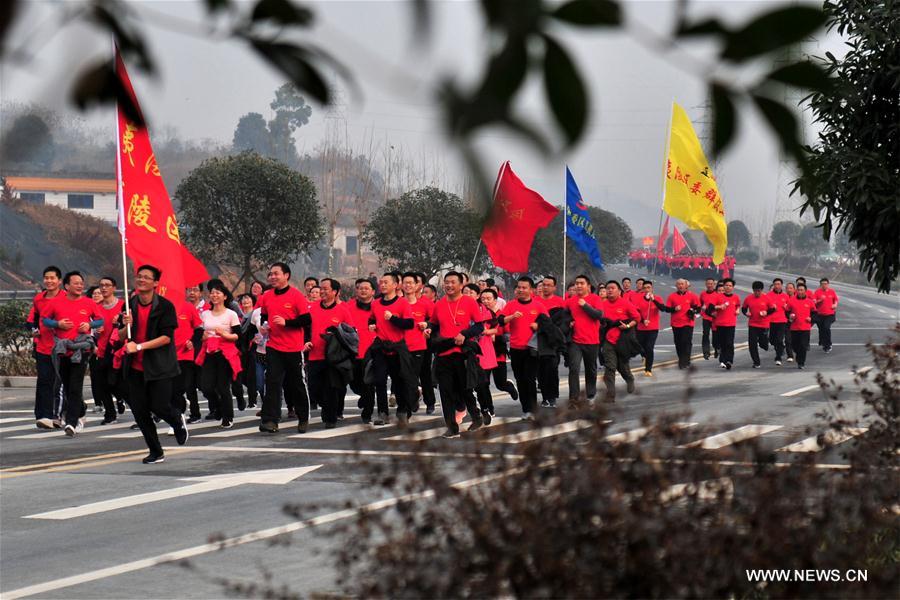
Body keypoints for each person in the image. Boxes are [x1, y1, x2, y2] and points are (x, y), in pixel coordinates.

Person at [119, 264, 189, 464]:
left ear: (156, 283)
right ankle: (156, 451)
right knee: (140, 412)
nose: (141, 280)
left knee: (159, 406)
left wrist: (139, 347)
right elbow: (121, 336)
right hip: (135, 368)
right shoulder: (129, 304)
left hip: (159, 366)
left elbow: (166, 338)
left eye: (146, 277)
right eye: (139, 276)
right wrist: (126, 326)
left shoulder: (164, 306)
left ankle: (176, 420)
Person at [42, 271, 104, 436]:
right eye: (76, 283)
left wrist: (89, 325)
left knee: (75, 386)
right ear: (67, 286)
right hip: (62, 350)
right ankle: (81, 409)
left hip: (81, 349)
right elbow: (45, 320)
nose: (80, 286)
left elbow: (100, 320)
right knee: (68, 386)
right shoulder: (56, 302)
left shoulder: (89, 303)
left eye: (81, 283)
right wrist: (58, 324)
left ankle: (71, 422)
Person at [428, 271, 485, 437]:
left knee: (464, 389)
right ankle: (452, 427)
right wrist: (429, 330)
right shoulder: (439, 304)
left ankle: (476, 416)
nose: (449, 285)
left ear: (461, 285)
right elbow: (433, 323)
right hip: (443, 353)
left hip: (462, 354)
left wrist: (464, 334)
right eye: (446, 282)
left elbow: (479, 326)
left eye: (453, 282)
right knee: (445, 392)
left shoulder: (469, 302)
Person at [257, 262, 312, 434]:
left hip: (294, 348)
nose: (272, 277)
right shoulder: (267, 296)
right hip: (274, 346)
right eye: (270, 274)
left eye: (276, 274)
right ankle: (270, 420)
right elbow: (264, 316)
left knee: (297, 384)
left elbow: (306, 320)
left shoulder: (296, 296)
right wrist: (264, 327)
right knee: (272, 382)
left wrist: (286, 323)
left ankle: (303, 418)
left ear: (286, 275)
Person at [306, 278, 353, 429]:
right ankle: (326, 407)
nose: (322, 291)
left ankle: (330, 418)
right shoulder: (312, 309)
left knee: (331, 387)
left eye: (326, 289)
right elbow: (304, 329)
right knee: (314, 388)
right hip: (315, 354)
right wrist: (305, 342)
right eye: (321, 288)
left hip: (334, 357)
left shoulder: (342, 311)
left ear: (335, 292)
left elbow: (350, 334)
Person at [499, 276, 549, 419]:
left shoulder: (538, 306)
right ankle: (525, 409)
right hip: (515, 349)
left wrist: (538, 325)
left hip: (531, 349)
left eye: (524, 287)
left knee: (529, 379)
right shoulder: (511, 305)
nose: (520, 290)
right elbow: (500, 321)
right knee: (520, 380)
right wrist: (512, 317)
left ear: (531, 290)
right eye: (519, 287)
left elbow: (548, 323)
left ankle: (532, 410)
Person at [370, 272, 415, 425]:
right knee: (379, 380)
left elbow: (409, 324)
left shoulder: (402, 303)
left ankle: (402, 410)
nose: (382, 285)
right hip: (380, 346)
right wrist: (371, 325)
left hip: (397, 348)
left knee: (399, 380)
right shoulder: (375, 303)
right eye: (381, 282)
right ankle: (382, 413)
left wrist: (392, 318)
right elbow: (372, 318)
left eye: (386, 282)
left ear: (395, 285)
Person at [196, 280, 242, 428]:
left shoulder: (231, 314)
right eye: (212, 293)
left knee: (223, 387)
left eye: (218, 293)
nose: (214, 295)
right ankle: (217, 407)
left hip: (225, 354)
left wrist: (224, 334)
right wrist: (203, 336)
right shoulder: (205, 314)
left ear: (225, 296)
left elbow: (238, 336)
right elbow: (199, 333)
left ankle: (228, 417)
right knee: (206, 387)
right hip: (209, 352)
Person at [28, 266, 66, 429]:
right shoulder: (39, 299)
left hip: (63, 347)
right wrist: (33, 329)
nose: (49, 281)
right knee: (44, 381)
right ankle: (43, 416)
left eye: (52, 278)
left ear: (59, 281)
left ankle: (70, 411)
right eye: (46, 278)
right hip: (43, 346)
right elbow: (32, 320)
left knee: (61, 383)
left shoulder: (66, 297)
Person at [90, 276, 126, 424]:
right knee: (102, 384)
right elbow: (90, 329)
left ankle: (121, 397)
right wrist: (96, 333)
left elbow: (130, 326)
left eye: (107, 285)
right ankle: (110, 415)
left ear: (114, 288)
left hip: (119, 350)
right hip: (102, 350)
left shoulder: (123, 305)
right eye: (101, 285)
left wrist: (120, 322)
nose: (104, 288)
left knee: (116, 382)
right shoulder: (95, 307)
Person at [598, 281, 640, 402]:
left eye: (613, 288)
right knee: (610, 367)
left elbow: (637, 318)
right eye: (608, 288)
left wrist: (628, 326)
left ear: (619, 291)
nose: (610, 290)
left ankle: (629, 379)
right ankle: (610, 395)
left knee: (622, 367)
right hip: (608, 341)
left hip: (623, 340)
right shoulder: (602, 305)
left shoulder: (625, 303)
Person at [564, 275, 603, 402]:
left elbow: (598, 315)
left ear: (588, 286)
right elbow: (564, 316)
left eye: (582, 283)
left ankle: (590, 394)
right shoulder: (570, 301)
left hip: (592, 341)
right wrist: (569, 322)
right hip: (575, 341)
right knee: (574, 368)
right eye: (577, 283)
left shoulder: (595, 299)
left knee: (590, 369)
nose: (579, 286)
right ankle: (573, 398)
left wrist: (585, 305)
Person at [402, 272, 435, 414]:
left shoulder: (426, 303)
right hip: (402, 345)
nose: (409, 285)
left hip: (423, 344)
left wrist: (427, 326)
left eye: (414, 282)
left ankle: (429, 402)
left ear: (419, 285)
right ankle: (411, 399)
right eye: (406, 282)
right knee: (407, 376)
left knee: (424, 374)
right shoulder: (399, 302)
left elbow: (434, 321)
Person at [478, 288, 519, 402]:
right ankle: (488, 408)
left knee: (500, 384)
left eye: (488, 299)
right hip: (484, 354)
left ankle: (509, 386)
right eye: (483, 299)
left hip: (498, 353)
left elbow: (508, 335)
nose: (485, 301)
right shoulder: (478, 315)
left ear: (495, 300)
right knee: (483, 383)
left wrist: (496, 337)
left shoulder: (501, 316)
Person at [172, 289, 203, 423]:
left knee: (187, 386)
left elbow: (199, 329)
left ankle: (192, 414)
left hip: (185, 354)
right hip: (168, 355)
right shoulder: (163, 308)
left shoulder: (188, 307)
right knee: (170, 388)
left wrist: (193, 342)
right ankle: (175, 411)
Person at [348, 278, 377, 424]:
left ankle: (367, 413)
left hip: (372, 350)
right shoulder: (348, 307)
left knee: (369, 383)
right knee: (354, 383)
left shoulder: (378, 307)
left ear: (373, 292)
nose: (363, 290)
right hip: (353, 350)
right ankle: (364, 397)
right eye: (360, 288)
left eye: (366, 288)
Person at [536, 276, 564, 408]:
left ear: (554, 287)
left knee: (552, 369)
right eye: (544, 285)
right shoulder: (535, 301)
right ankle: (545, 397)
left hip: (553, 342)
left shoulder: (560, 302)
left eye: (548, 285)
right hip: (538, 341)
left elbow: (563, 322)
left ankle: (552, 397)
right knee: (540, 371)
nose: (545, 287)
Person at [662, 278, 701, 369]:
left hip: (688, 323)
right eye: (678, 284)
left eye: (682, 284)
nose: (680, 286)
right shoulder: (672, 296)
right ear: (676, 286)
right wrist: (674, 309)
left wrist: (692, 311)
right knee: (678, 342)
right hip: (676, 323)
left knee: (686, 342)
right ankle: (682, 359)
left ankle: (685, 361)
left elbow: (698, 308)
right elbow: (667, 309)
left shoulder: (692, 296)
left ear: (686, 285)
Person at [630, 280, 664, 376]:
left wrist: (654, 300)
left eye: (649, 287)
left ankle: (648, 369)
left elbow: (662, 308)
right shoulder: (639, 299)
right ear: (642, 290)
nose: (647, 289)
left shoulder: (657, 298)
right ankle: (644, 356)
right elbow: (636, 313)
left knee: (649, 347)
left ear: (652, 288)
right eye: (645, 288)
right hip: (641, 328)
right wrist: (643, 320)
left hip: (653, 328)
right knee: (640, 347)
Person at [709, 278, 740, 370]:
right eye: (726, 285)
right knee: (722, 343)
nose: (728, 287)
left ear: (733, 287)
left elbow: (738, 305)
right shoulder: (718, 297)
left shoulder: (736, 297)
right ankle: (722, 360)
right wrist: (719, 307)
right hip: (720, 324)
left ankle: (729, 360)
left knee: (729, 343)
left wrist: (737, 310)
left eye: (730, 286)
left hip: (731, 324)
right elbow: (710, 307)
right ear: (724, 286)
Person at [742, 281, 775, 369]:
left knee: (763, 343)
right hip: (752, 324)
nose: (757, 293)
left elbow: (772, 309)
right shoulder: (748, 298)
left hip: (764, 324)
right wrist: (746, 313)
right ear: (753, 290)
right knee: (752, 344)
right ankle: (756, 362)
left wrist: (766, 312)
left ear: (761, 290)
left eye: (758, 291)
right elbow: (744, 308)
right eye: (755, 291)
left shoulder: (766, 298)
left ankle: (764, 344)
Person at [786, 283, 817, 369]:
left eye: (801, 290)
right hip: (794, 327)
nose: (800, 292)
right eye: (798, 290)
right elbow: (787, 311)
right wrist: (789, 316)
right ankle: (798, 355)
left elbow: (815, 313)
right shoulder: (792, 300)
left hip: (805, 328)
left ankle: (801, 363)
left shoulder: (809, 302)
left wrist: (811, 318)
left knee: (803, 345)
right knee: (795, 345)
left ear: (805, 291)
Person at [236, 294, 259, 409]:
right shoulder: (238, 317)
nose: (245, 301)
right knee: (242, 376)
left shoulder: (255, 314)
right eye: (243, 299)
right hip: (241, 349)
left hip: (252, 349)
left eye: (248, 299)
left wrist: (256, 338)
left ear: (253, 301)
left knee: (251, 375)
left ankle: (252, 400)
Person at [766, 278, 790, 366]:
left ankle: (778, 357)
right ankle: (781, 347)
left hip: (782, 321)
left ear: (781, 285)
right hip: (771, 321)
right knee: (772, 340)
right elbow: (765, 307)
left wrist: (786, 307)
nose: (777, 286)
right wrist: (771, 309)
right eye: (775, 284)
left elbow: (789, 308)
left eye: (778, 284)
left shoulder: (785, 296)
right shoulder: (768, 295)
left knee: (779, 339)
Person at [813, 278, 838, 353]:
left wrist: (835, 304)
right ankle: (823, 342)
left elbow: (836, 299)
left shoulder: (832, 291)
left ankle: (828, 345)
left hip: (829, 314)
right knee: (821, 329)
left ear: (828, 284)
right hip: (820, 315)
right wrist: (820, 300)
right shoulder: (817, 292)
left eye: (825, 284)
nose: (824, 285)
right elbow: (814, 303)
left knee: (826, 328)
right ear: (820, 285)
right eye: (822, 284)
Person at [698, 278, 718, 360]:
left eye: (711, 284)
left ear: (714, 284)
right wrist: (701, 310)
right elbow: (700, 304)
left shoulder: (717, 294)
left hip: (715, 318)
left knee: (715, 335)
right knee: (705, 334)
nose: (709, 285)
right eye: (708, 284)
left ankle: (717, 349)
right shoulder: (703, 294)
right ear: (706, 284)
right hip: (706, 317)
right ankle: (706, 352)